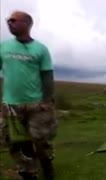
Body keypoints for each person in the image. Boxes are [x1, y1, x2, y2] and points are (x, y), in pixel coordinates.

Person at [0, 10, 57, 180]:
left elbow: (47, 76)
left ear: (27, 23)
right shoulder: (3, 46)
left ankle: (47, 164)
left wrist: (46, 101)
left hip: (36, 105)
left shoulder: (41, 49)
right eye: (8, 21)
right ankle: (28, 173)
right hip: (11, 106)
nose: (9, 23)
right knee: (17, 142)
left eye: (13, 20)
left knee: (42, 141)